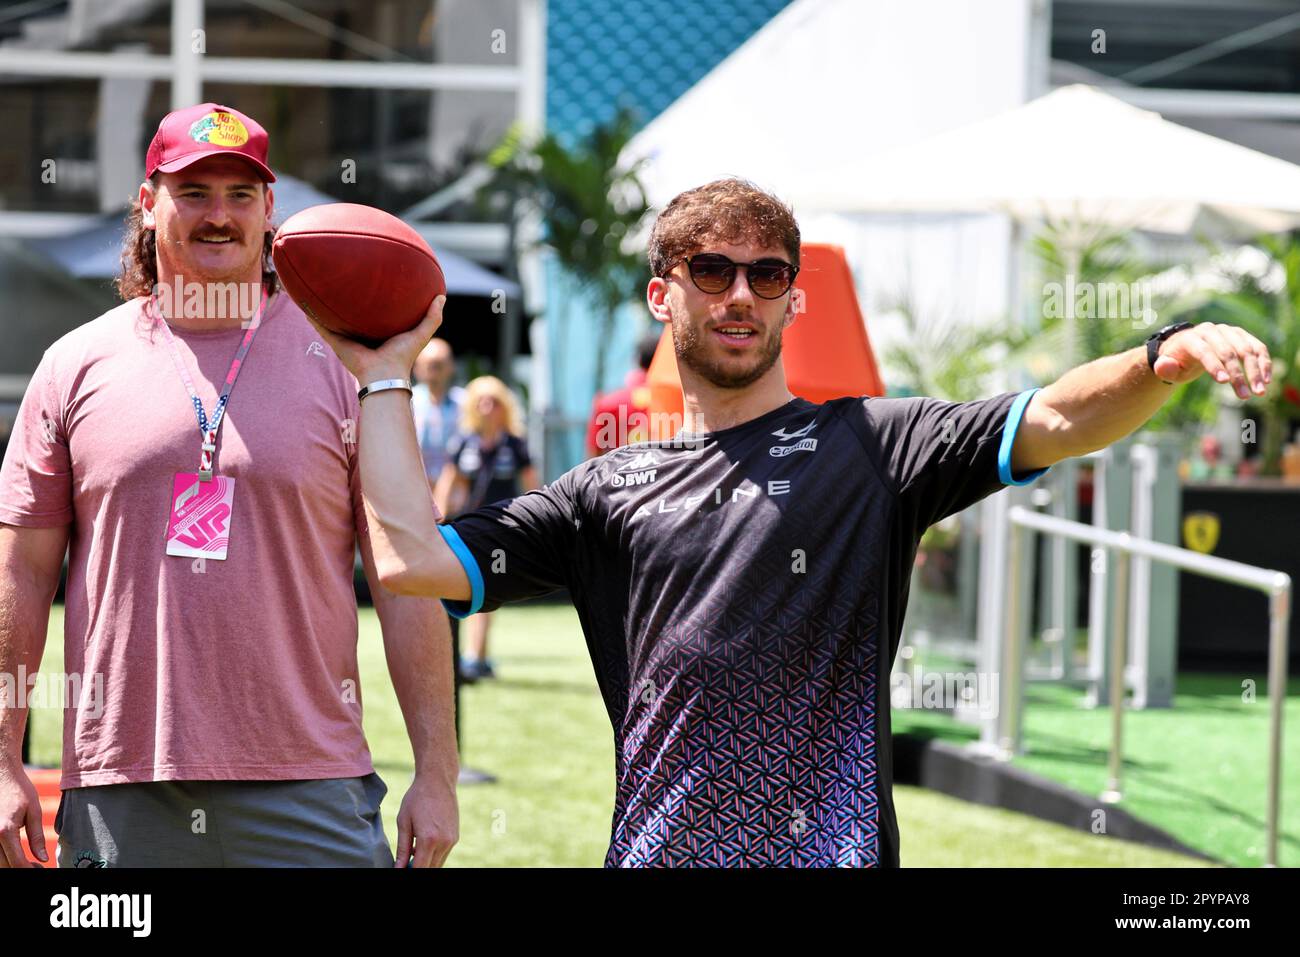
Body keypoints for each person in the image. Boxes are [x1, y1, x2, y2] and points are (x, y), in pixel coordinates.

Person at [307, 178, 1272, 867]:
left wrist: (1163, 355)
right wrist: (386, 372)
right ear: (663, 294)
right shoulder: (603, 490)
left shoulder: (876, 447)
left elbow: (1059, 416)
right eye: (712, 269)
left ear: (793, 298)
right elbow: (411, 558)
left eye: (766, 275)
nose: (739, 294)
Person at [0, 102, 458, 868]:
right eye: (195, 192)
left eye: (241, 194)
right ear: (148, 205)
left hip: (310, 780)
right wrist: (3, 756)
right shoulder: (74, 364)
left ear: (271, 210)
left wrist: (437, 773)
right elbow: (19, 571)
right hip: (123, 783)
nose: (220, 216)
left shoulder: (347, 364)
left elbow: (405, 578)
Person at [434, 376, 539, 680]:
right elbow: (448, 482)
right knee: (468, 589)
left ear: (503, 406)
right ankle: (471, 657)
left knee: (485, 589)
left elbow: (532, 487)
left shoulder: (515, 445)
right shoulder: (463, 442)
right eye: (481, 401)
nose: (487, 407)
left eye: (493, 401)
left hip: (502, 529)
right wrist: (437, 520)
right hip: (467, 528)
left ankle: (475, 657)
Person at [586, 330, 659, 456]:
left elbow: (593, 457)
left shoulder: (607, 403)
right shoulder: (675, 399)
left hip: (618, 474)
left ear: (638, 359)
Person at [411, 338, 466, 486]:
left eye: (439, 365)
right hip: (415, 488)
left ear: (451, 367)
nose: (434, 372)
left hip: (456, 493)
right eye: (430, 366)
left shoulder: (466, 403)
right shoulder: (406, 402)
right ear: (417, 369)